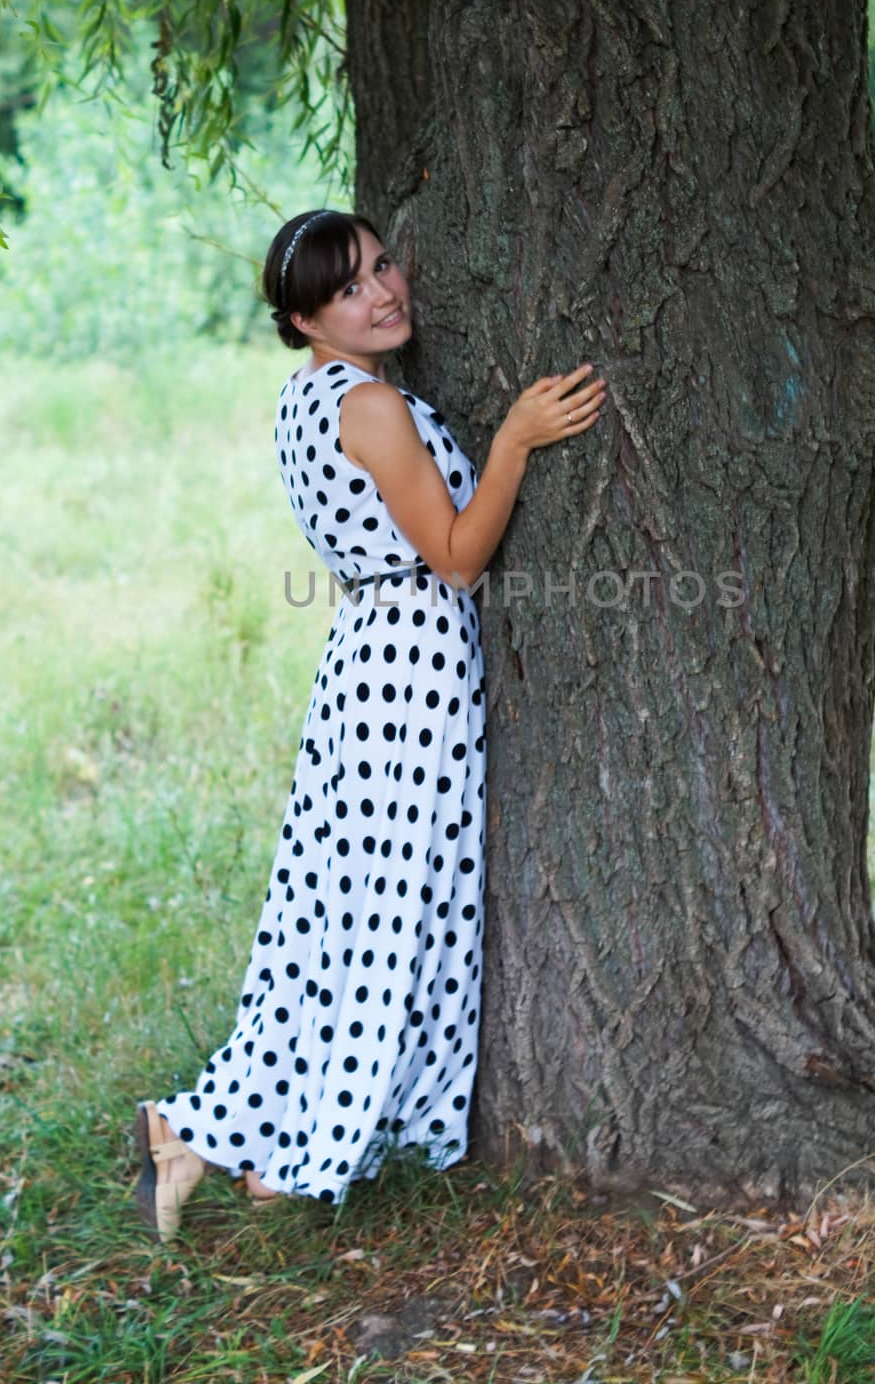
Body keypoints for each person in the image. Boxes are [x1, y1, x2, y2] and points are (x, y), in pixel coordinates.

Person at [134, 209, 606, 1242]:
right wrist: (515, 441)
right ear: (306, 318)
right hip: (412, 663)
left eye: (382, 265)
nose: (384, 292)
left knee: (332, 913)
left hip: (365, 662)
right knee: (385, 915)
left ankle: (233, 1136)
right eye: (350, 287)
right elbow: (455, 555)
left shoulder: (306, 401)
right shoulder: (374, 410)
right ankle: (233, 1131)